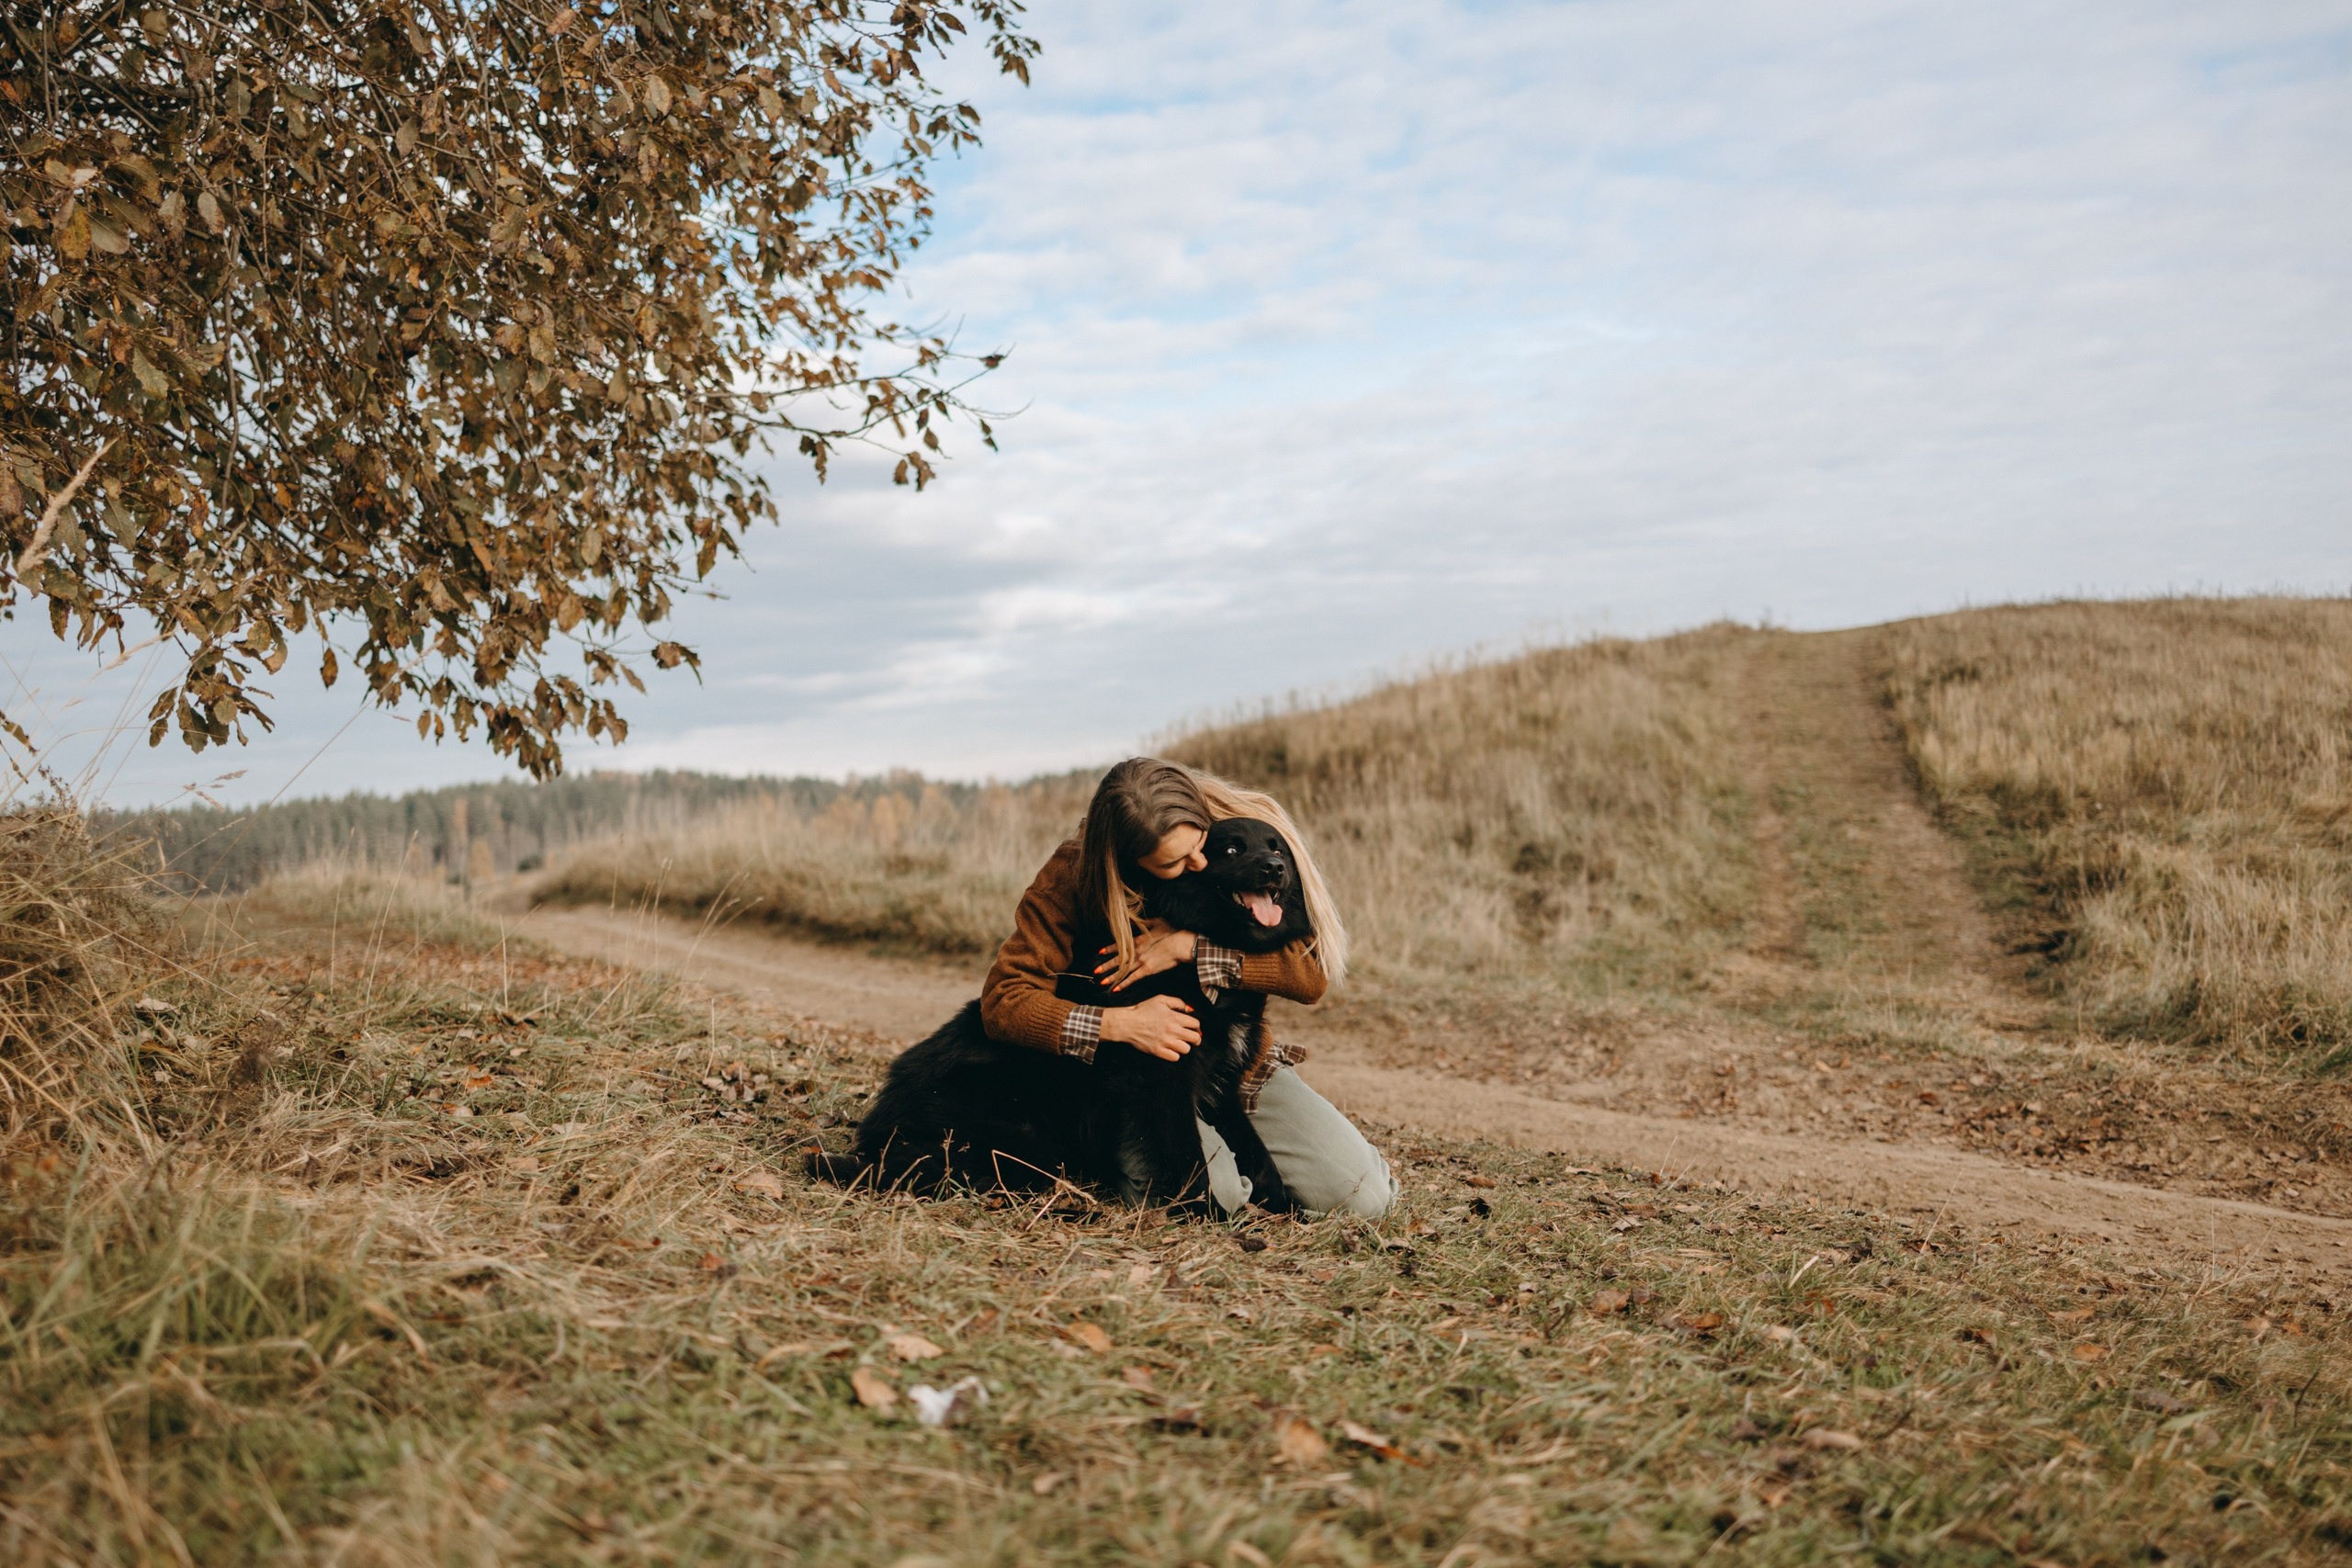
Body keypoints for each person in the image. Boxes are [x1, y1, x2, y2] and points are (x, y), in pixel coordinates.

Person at [980, 757, 1396, 1217]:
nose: (1198, 863)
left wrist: (1192, 947)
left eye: (1200, 844)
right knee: (1221, 1196)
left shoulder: (1246, 827)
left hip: (1236, 1071)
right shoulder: (1072, 875)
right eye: (1176, 861)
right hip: (1142, 1082)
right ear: (1129, 861)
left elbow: (1310, 973)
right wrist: (1120, 1024)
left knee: (1363, 1198)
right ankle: (1106, 1155)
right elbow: (1004, 999)